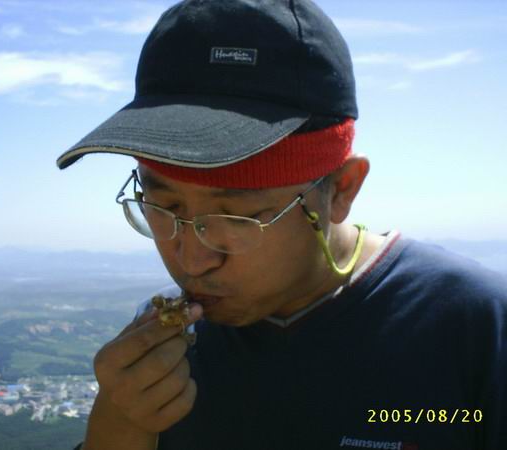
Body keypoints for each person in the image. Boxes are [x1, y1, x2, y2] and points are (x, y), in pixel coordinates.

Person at [57, 1, 507, 449]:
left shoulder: (479, 329)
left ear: (342, 189)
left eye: (236, 218)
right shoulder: (162, 353)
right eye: (164, 205)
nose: (192, 261)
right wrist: (119, 424)